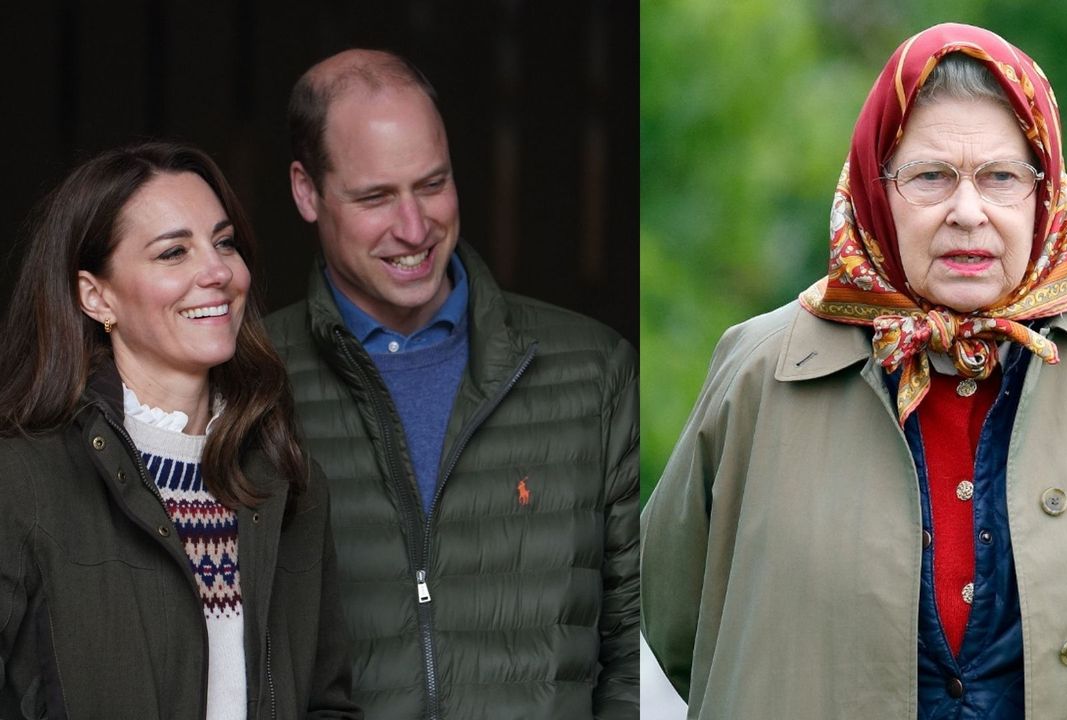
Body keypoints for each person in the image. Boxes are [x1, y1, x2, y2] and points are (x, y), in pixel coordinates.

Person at [641, 22, 1067, 719]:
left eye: (1002, 177)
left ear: (1045, 190)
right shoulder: (761, 373)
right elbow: (680, 617)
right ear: (875, 188)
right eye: (930, 177)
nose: (967, 212)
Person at [265, 49, 638, 718]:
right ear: (305, 191)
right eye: (376, 197)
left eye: (432, 184)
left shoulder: (593, 369)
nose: (414, 228)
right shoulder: (252, 381)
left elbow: (638, 642)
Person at [0, 142, 359, 718]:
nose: (217, 271)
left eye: (223, 242)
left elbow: (326, 702)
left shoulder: (290, 480)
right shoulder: (20, 481)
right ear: (96, 296)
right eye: (173, 253)